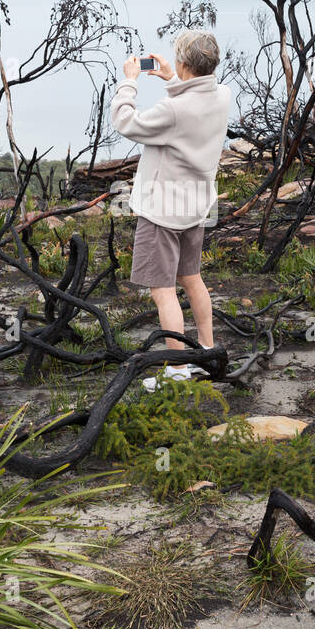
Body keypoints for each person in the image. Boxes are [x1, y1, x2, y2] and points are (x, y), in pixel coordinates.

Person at [111, 30, 232, 390]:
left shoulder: (173, 110)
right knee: (192, 279)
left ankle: (177, 370)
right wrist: (171, 78)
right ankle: (208, 352)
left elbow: (125, 122)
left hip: (163, 212)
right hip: (196, 207)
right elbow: (194, 100)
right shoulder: (222, 95)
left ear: (184, 63)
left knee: (163, 291)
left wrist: (129, 83)